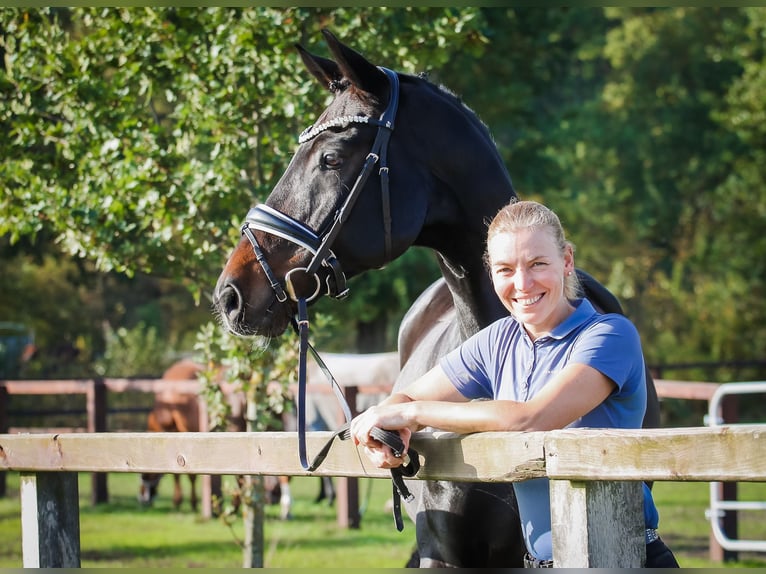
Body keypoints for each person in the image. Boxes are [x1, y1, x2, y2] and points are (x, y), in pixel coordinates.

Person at [350, 199, 679, 568]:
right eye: (505, 269)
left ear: (567, 261)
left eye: (537, 264)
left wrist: (412, 413)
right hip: (540, 563)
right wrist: (389, 428)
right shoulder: (497, 341)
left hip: (620, 557)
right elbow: (407, 394)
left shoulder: (609, 335)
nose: (522, 283)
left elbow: (533, 418)